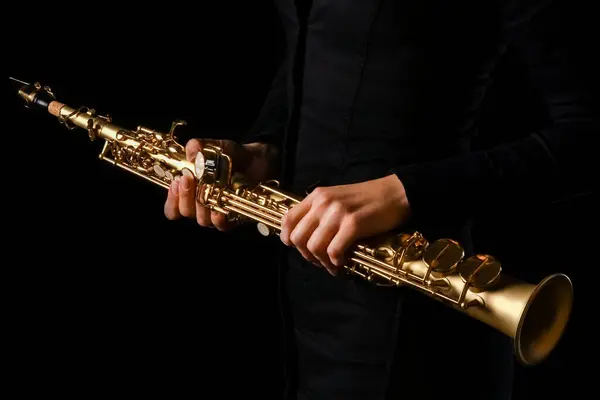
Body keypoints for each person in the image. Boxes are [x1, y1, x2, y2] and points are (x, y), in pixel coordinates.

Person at [164, 0, 595, 398]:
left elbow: (590, 133)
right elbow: (312, 49)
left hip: (429, 320)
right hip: (307, 306)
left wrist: (404, 191)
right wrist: (267, 148)